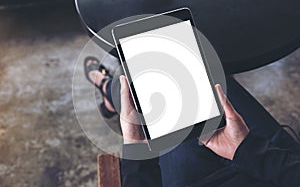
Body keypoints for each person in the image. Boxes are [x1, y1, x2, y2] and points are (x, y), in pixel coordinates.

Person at [85, 57, 300, 187]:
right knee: (204, 79)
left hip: (198, 181)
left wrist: (138, 150)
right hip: (277, 170)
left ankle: (107, 87)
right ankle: (109, 90)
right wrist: (252, 152)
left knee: (159, 88)